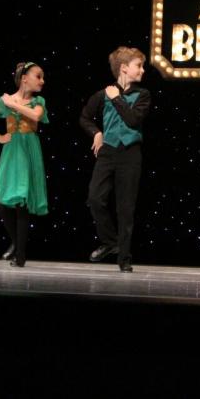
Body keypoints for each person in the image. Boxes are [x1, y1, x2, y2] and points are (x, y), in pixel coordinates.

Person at [80, 47, 150, 273]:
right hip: (108, 152)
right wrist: (96, 133)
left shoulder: (143, 95)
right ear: (124, 68)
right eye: (139, 66)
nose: (142, 70)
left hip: (130, 154)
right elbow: (85, 117)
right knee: (95, 198)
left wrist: (117, 98)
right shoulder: (103, 94)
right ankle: (111, 242)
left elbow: (132, 120)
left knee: (125, 207)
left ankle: (124, 258)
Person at [0, 62, 48, 267]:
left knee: (21, 201)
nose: (42, 81)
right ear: (24, 78)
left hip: (28, 149)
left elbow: (36, 115)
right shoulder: (5, 100)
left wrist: (12, 104)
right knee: (1, 201)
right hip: (11, 150)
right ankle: (17, 242)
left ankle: (21, 255)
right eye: (38, 76)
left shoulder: (38, 101)